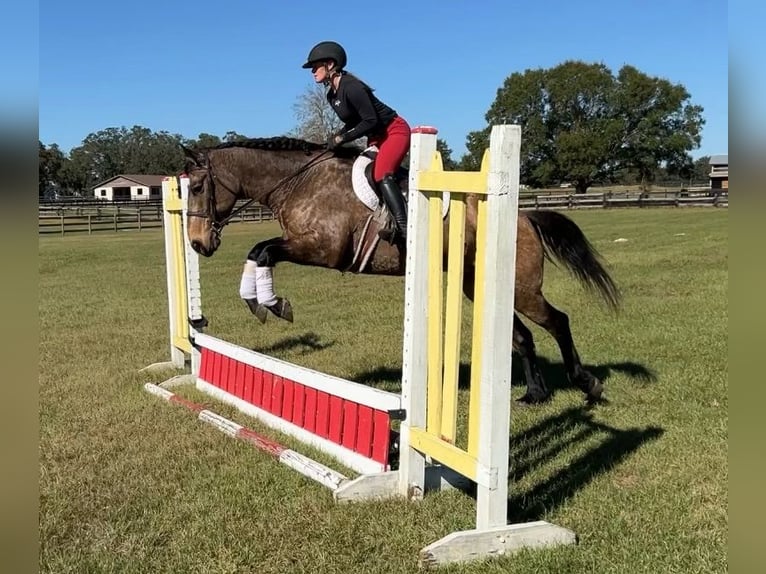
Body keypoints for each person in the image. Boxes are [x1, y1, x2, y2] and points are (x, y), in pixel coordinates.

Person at [302, 41, 411, 242]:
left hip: (394, 131)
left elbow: (370, 120)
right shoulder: (331, 95)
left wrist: (343, 138)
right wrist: (336, 137)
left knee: (381, 173)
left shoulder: (351, 87)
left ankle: (404, 229)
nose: (313, 71)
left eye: (316, 66)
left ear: (330, 64)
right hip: (377, 137)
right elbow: (353, 122)